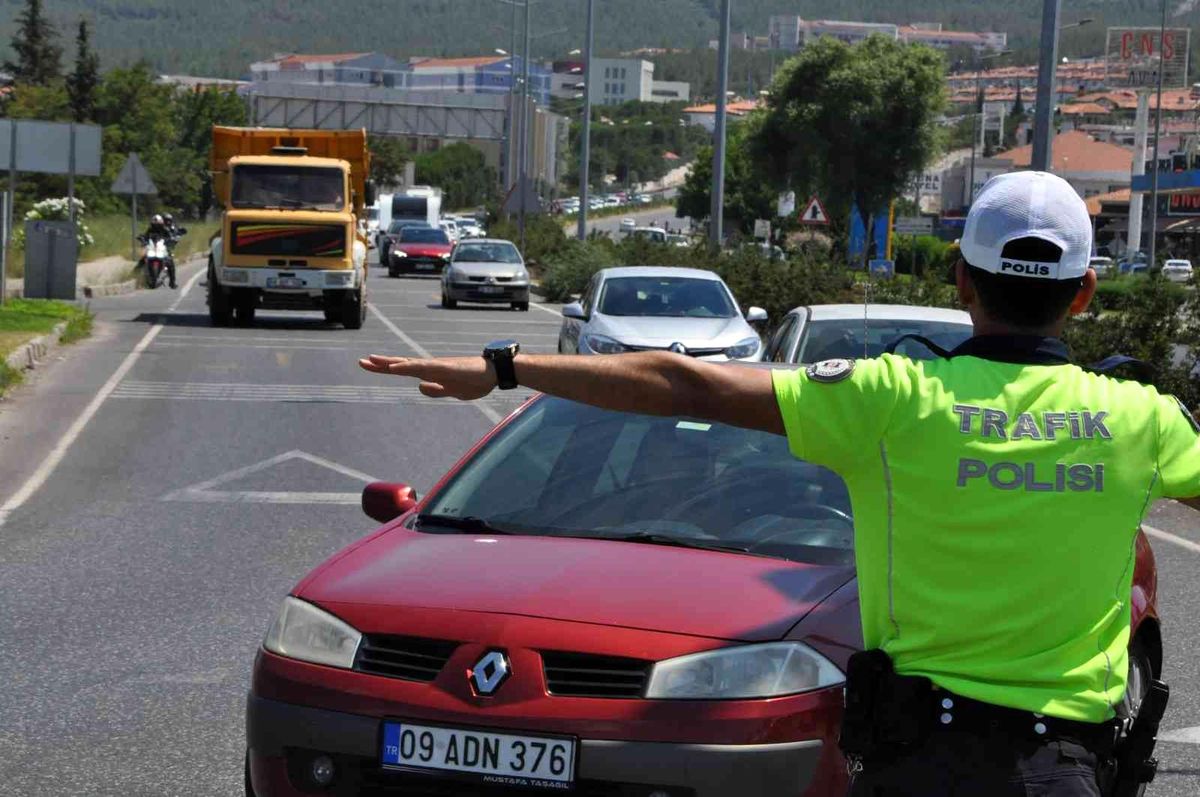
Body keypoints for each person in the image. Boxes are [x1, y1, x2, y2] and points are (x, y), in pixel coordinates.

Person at [359, 171, 1200, 795]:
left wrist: (503, 367)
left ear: (961, 278)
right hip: (1063, 771)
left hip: (918, 762)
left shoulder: (893, 399)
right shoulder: (1143, 419)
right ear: (1085, 293)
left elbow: (689, 384)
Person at [141, 213, 177, 289]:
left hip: (162, 247)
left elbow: (170, 236)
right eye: (154, 225)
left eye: (158, 225)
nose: (156, 226)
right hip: (152, 247)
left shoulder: (165, 229)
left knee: (170, 262)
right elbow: (145, 236)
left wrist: (171, 240)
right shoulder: (150, 229)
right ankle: (137, 273)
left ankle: (172, 282)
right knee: (143, 258)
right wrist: (143, 240)